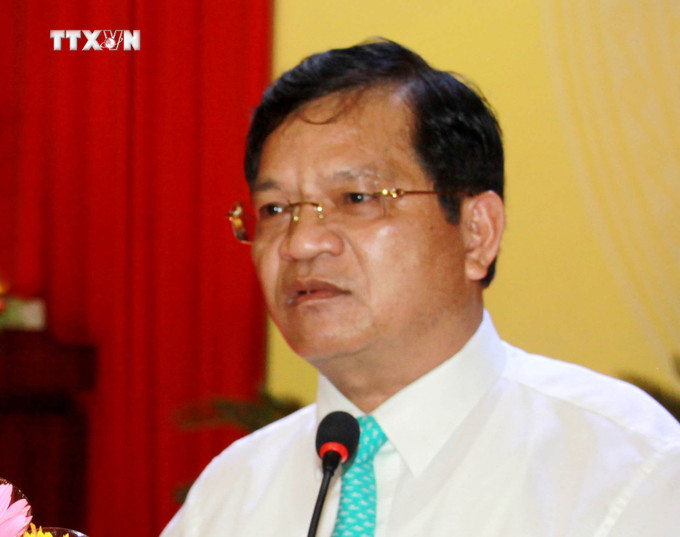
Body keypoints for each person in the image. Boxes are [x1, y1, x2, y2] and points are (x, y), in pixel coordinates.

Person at [161, 39, 680, 537]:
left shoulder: (627, 469)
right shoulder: (228, 497)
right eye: (275, 209)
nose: (300, 242)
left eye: (357, 198)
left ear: (477, 232)